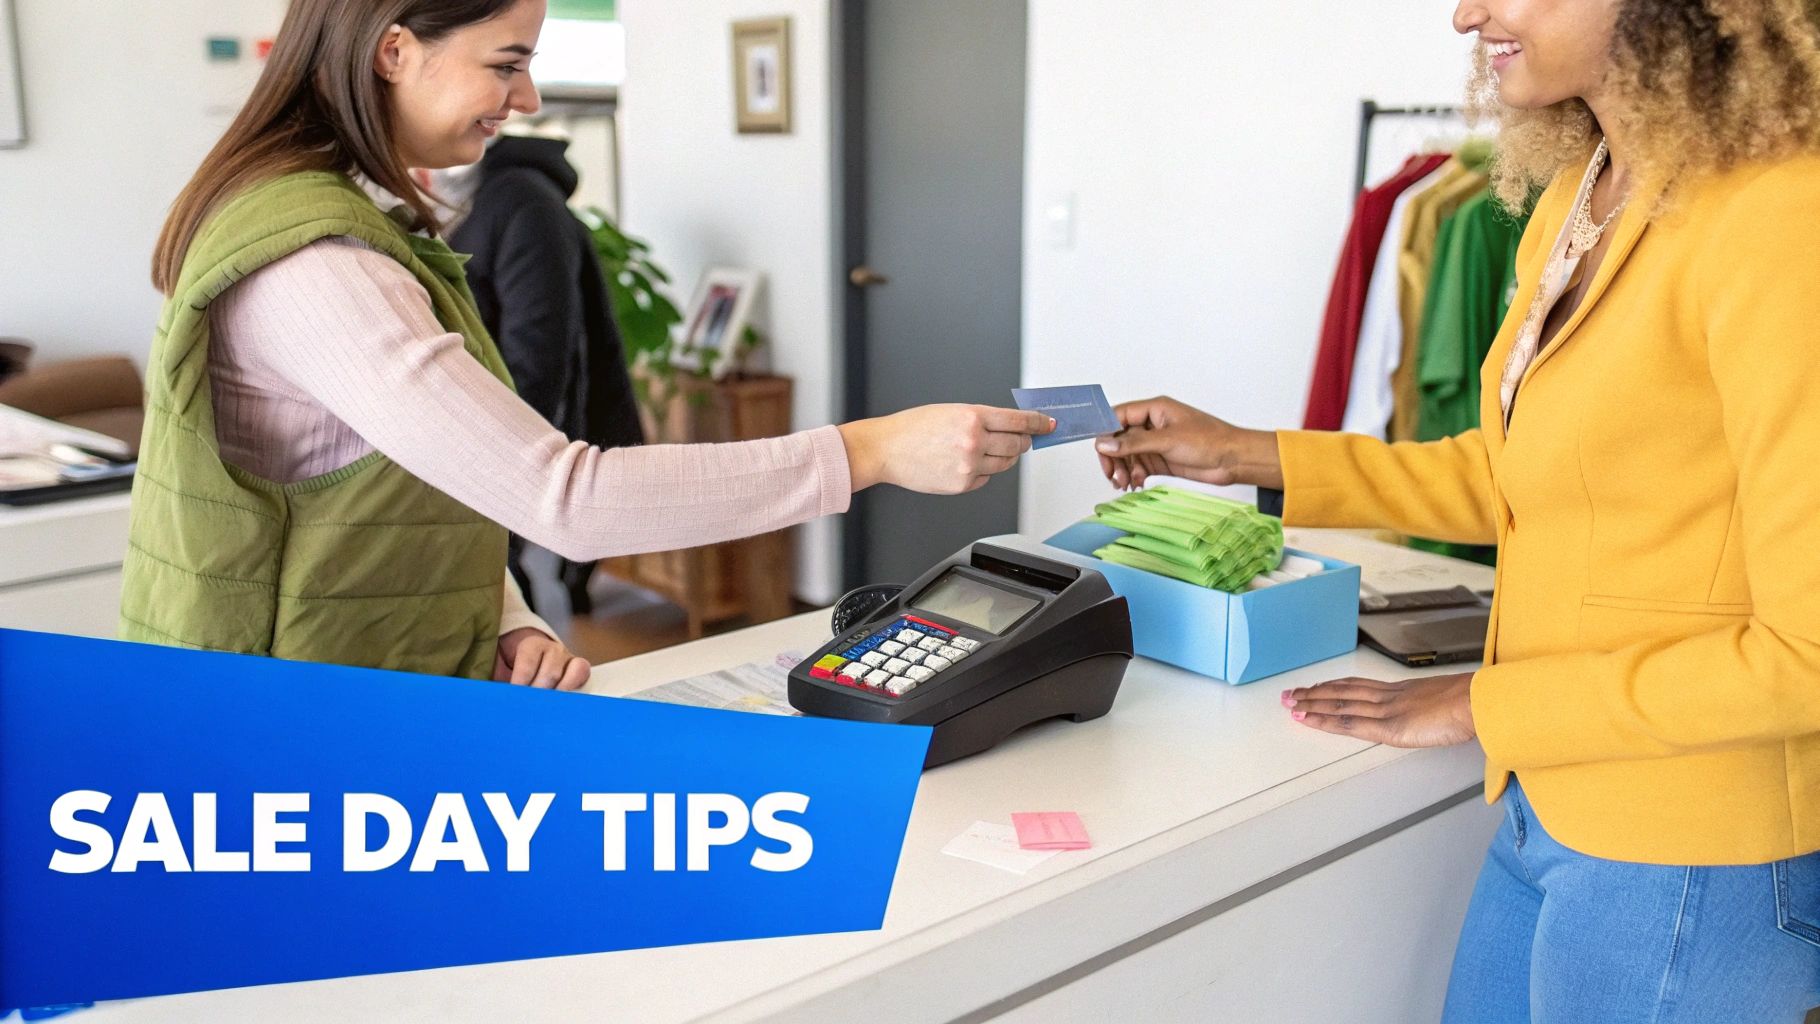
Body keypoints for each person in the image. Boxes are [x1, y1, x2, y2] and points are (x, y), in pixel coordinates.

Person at [1094, 1, 1820, 1020]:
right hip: (1547, 797)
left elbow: (1806, 653)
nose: (1465, 12)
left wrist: (1481, 704)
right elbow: (1515, 471)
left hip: (1691, 843)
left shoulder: (1779, 214)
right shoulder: (1582, 193)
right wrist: (1243, 452)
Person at [125, 0, 1051, 693]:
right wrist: (869, 451)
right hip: (294, 724)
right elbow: (563, 497)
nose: (527, 98)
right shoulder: (318, 264)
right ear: (394, 50)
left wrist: (500, 618)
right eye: (507, 63)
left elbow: (413, 482)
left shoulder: (336, 220)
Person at [444, 131, 644, 628]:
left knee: (531, 624)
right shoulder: (481, 200)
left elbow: (540, 355)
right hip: (492, 448)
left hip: (522, 454)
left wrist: (508, 468)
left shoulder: (524, 204)